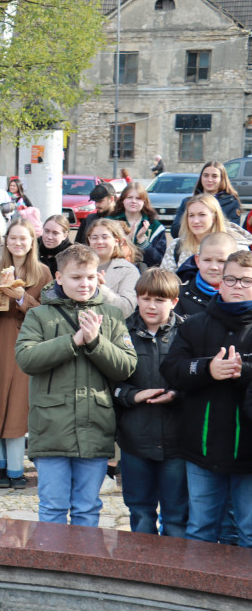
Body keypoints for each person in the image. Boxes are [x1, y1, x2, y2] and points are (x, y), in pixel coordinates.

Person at [16, 244, 137, 526]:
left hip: (95, 427)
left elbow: (127, 366)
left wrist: (96, 342)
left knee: (87, 508)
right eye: (76, 277)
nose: (85, 284)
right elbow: (26, 359)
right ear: (59, 278)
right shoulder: (39, 315)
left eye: (91, 277)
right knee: (53, 507)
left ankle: (84, 557)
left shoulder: (112, 315)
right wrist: (73, 341)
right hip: (51, 428)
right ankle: (51, 557)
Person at [162, 251, 252, 547]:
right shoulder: (194, 324)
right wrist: (206, 369)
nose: (238, 286)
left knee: (249, 532)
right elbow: (171, 369)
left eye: (246, 280)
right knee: (200, 529)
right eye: (231, 279)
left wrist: (243, 371)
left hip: (248, 452)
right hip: (202, 447)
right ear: (220, 283)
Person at [0, 219, 52, 488]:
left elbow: (46, 314)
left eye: (23, 238)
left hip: (26, 342)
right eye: (13, 238)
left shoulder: (43, 272)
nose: (18, 243)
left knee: (19, 405)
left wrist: (20, 297)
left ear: (32, 243)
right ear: (6, 241)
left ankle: (17, 468)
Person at [113, 268, 187, 537]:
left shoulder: (187, 332)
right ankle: (142, 562)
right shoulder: (121, 332)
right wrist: (132, 395)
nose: (151, 306)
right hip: (135, 439)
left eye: (159, 300)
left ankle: (174, 563)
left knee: (176, 514)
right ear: (137, 299)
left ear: (174, 301)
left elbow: (197, 381)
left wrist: (177, 394)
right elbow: (110, 381)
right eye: (145, 299)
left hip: (177, 440)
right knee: (141, 512)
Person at [162, 193, 252, 273]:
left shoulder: (237, 248)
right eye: (191, 215)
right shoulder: (176, 246)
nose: (195, 221)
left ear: (215, 217)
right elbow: (165, 283)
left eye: (202, 215)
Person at [171, 161, 242, 238]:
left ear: (222, 179)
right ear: (201, 178)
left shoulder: (231, 203)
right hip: (191, 243)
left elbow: (232, 233)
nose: (209, 180)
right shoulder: (187, 202)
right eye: (206, 175)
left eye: (214, 176)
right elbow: (175, 231)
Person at [175, 232, 237, 318]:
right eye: (207, 260)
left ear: (234, 262)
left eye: (221, 261)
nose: (213, 267)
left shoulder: (244, 296)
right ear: (197, 261)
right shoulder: (177, 296)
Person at [86, 219, 139, 316]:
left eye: (105, 237)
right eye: (94, 237)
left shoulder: (128, 270)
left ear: (116, 241)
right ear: (89, 240)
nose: (99, 242)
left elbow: (127, 308)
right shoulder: (77, 266)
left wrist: (101, 289)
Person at [111, 183, 166, 267]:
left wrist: (142, 240)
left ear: (144, 202)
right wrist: (126, 241)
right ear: (122, 200)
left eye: (138, 198)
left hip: (145, 272)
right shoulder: (109, 222)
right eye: (129, 197)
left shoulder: (155, 226)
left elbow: (158, 260)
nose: (133, 201)